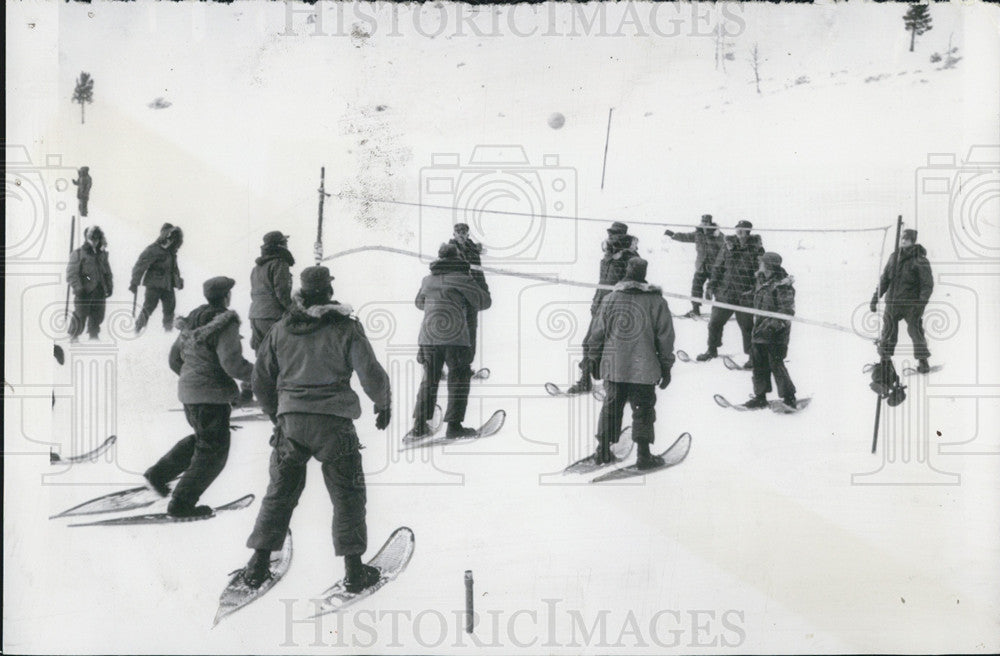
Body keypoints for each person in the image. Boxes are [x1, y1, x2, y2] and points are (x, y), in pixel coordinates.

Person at [241, 266, 392, 592]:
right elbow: (370, 373)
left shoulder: (281, 329)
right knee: (348, 495)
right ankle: (354, 571)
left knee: (280, 493)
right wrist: (383, 403)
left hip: (291, 425)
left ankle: (257, 564)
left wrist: (275, 413)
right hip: (334, 425)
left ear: (301, 293)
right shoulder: (345, 329)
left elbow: (259, 378)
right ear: (327, 292)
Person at [143, 276, 253, 517]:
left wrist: (191, 379)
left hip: (189, 395)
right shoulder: (225, 323)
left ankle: (158, 474)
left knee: (204, 440)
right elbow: (231, 363)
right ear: (227, 297)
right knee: (214, 453)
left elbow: (174, 359)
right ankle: (181, 503)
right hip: (210, 397)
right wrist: (256, 375)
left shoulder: (191, 321)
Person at [586, 258, 675, 469]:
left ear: (626, 272)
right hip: (644, 369)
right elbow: (665, 338)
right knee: (643, 409)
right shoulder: (657, 302)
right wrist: (666, 366)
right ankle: (643, 456)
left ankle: (603, 451)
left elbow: (596, 333)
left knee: (611, 407)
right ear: (644, 274)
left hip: (614, 366)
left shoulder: (610, 299)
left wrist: (594, 358)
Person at [411, 243, 492, 438]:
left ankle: (419, 426)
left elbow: (419, 303)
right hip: (454, 336)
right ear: (457, 258)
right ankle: (454, 427)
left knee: (429, 379)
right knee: (459, 378)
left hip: (428, 337)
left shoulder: (427, 280)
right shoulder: (463, 279)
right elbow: (484, 302)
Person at [567, 221, 638, 394]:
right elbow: (602, 283)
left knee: (610, 346)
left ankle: (615, 384)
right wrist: (596, 302)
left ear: (623, 236)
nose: (611, 237)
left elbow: (632, 283)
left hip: (616, 309)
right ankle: (586, 380)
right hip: (601, 306)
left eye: (615, 234)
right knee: (589, 343)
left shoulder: (630, 258)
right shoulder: (607, 256)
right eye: (610, 234)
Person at [697, 220, 764, 367]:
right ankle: (711, 349)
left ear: (748, 231)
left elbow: (761, 273)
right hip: (725, 293)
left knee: (747, 327)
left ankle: (752, 357)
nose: (739, 231)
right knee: (714, 323)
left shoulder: (756, 248)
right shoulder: (727, 245)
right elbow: (717, 267)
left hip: (744, 295)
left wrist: (754, 290)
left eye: (743, 229)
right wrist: (710, 287)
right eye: (737, 228)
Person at [870, 228, 934, 373]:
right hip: (892, 303)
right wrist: (875, 298)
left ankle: (923, 361)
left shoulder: (920, 260)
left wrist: (920, 304)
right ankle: (885, 363)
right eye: (901, 238)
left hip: (911, 305)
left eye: (906, 238)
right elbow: (885, 279)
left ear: (912, 241)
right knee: (888, 332)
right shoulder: (894, 257)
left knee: (915, 331)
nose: (903, 241)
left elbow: (927, 285)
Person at [743, 252, 797, 409]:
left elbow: (786, 311)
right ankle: (760, 397)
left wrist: (772, 327)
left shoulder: (782, 286)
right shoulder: (761, 280)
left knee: (776, 363)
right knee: (758, 364)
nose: (759, 264)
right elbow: (758, 296)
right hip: (759, 330)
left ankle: (789, 398)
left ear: (769, 266)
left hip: (776, 333)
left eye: (762, 262)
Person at [664, 214, 724, 318]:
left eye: (706, 222)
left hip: (714, 267)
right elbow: (685, 237)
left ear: (710, 223)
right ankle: (695, 310)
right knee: (696, 287)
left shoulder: (717, 235)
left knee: (717, 288)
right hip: (701, 266)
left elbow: (724, 248)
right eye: (703, 222)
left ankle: (719, 311)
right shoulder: (698, 234)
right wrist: (673, 235)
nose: (704, 224)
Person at [130, 223, 184, 333]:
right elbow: (140, 265)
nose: (171, 241)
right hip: (153, 285)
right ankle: (137, 329)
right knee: (148, 308)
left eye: (173, 239)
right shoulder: (153, 249)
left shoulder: (171, 253)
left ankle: (168, 332)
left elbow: (174, 269)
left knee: (170, 309)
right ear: (164, 236)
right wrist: (134, 282)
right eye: (169, 238)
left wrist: (179, 281)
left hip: (168, 285)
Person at [448, 223, 489, 361]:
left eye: (463, 232)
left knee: (471, 329)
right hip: (456, 296)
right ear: (454, 234)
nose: (461, 234)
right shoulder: (449, 250)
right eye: (458, 231)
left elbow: (479, 273)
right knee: (454, 330)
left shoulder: (474, 252)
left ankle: (466, 364)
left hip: (471, 295)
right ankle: (451, 364)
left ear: (467, 234)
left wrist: (484, 291)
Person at [249, 231, 295, 351]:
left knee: (262, 358)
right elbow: (282, 292)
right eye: (285, 242)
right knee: (281, 354)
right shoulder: (280, 263)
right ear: (280, 245)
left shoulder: (257, 268)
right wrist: (293, 310)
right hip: (273, 316)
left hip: (255, 316)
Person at [66, 225, 113, 342]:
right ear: (87, 238)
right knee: (81, 314)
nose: (95, 241)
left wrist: (109, 286)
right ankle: (74, 337)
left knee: (98, 315)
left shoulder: (102, 255)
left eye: (97, 239)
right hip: (84, 291)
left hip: (99, 289)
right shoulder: (78, 253)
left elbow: (107, 272)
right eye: (92, 238)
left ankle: (94, 336)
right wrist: (78, 288)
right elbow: (72, 273)